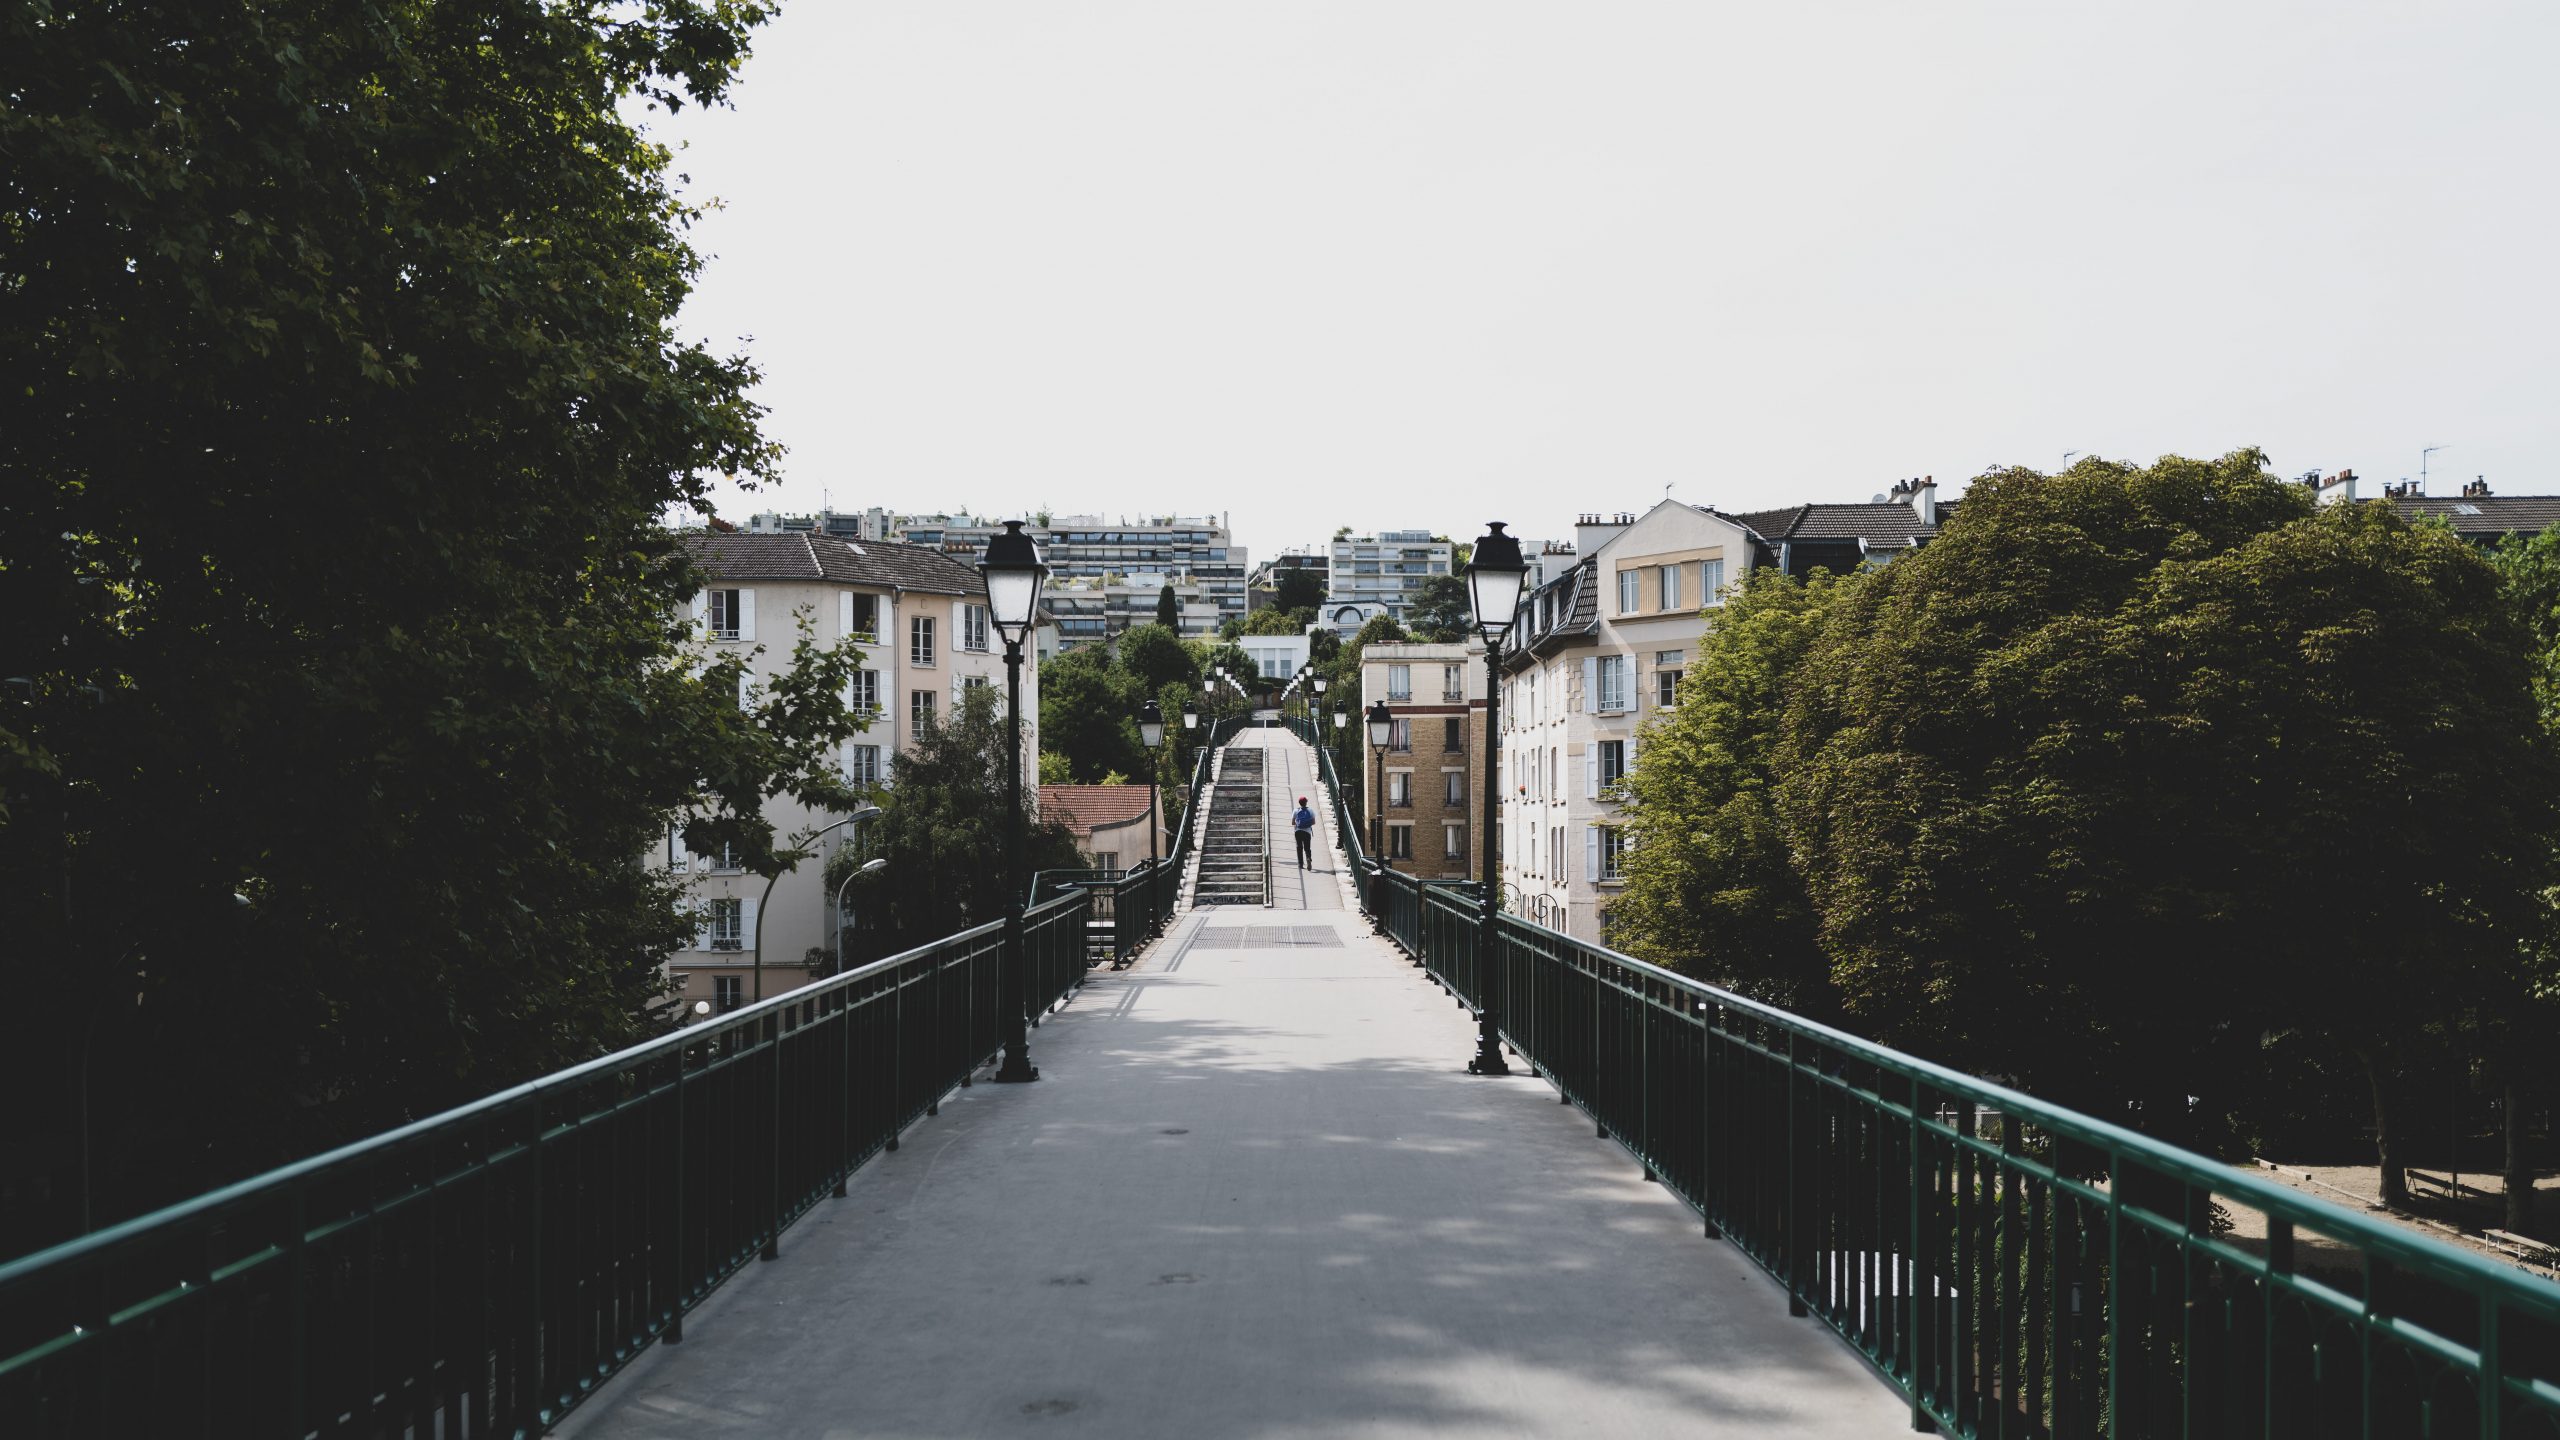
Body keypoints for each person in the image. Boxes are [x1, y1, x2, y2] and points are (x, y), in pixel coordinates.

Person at [1291, 796, 1316, 870]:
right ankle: (1308, 858)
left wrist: (1298, 824)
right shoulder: (1310, 810)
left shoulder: (1296, 811)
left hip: (1298, 832)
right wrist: (1307, 824)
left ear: (1299, 803)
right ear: (1306, 803)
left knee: (1299, 847)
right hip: (1307, 832)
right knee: (1307, 848)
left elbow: (1292, 823)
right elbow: (1313, 822)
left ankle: (1300, 864)